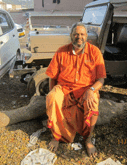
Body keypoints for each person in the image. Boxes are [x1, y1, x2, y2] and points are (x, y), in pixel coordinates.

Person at [45, 22, 106, 157]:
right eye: (76, 34)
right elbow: (52, 77)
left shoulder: (95, 52)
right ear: (71, 36)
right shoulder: (61, 51)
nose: (79, 37)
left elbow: (101, 79)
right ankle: (57, 137)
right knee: (53, 97)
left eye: (82, 34)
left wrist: (91, 90)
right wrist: (52, 94)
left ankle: (88, 138)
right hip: (64, 89)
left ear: (86, 36)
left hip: (86, 90)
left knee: (93, 101)